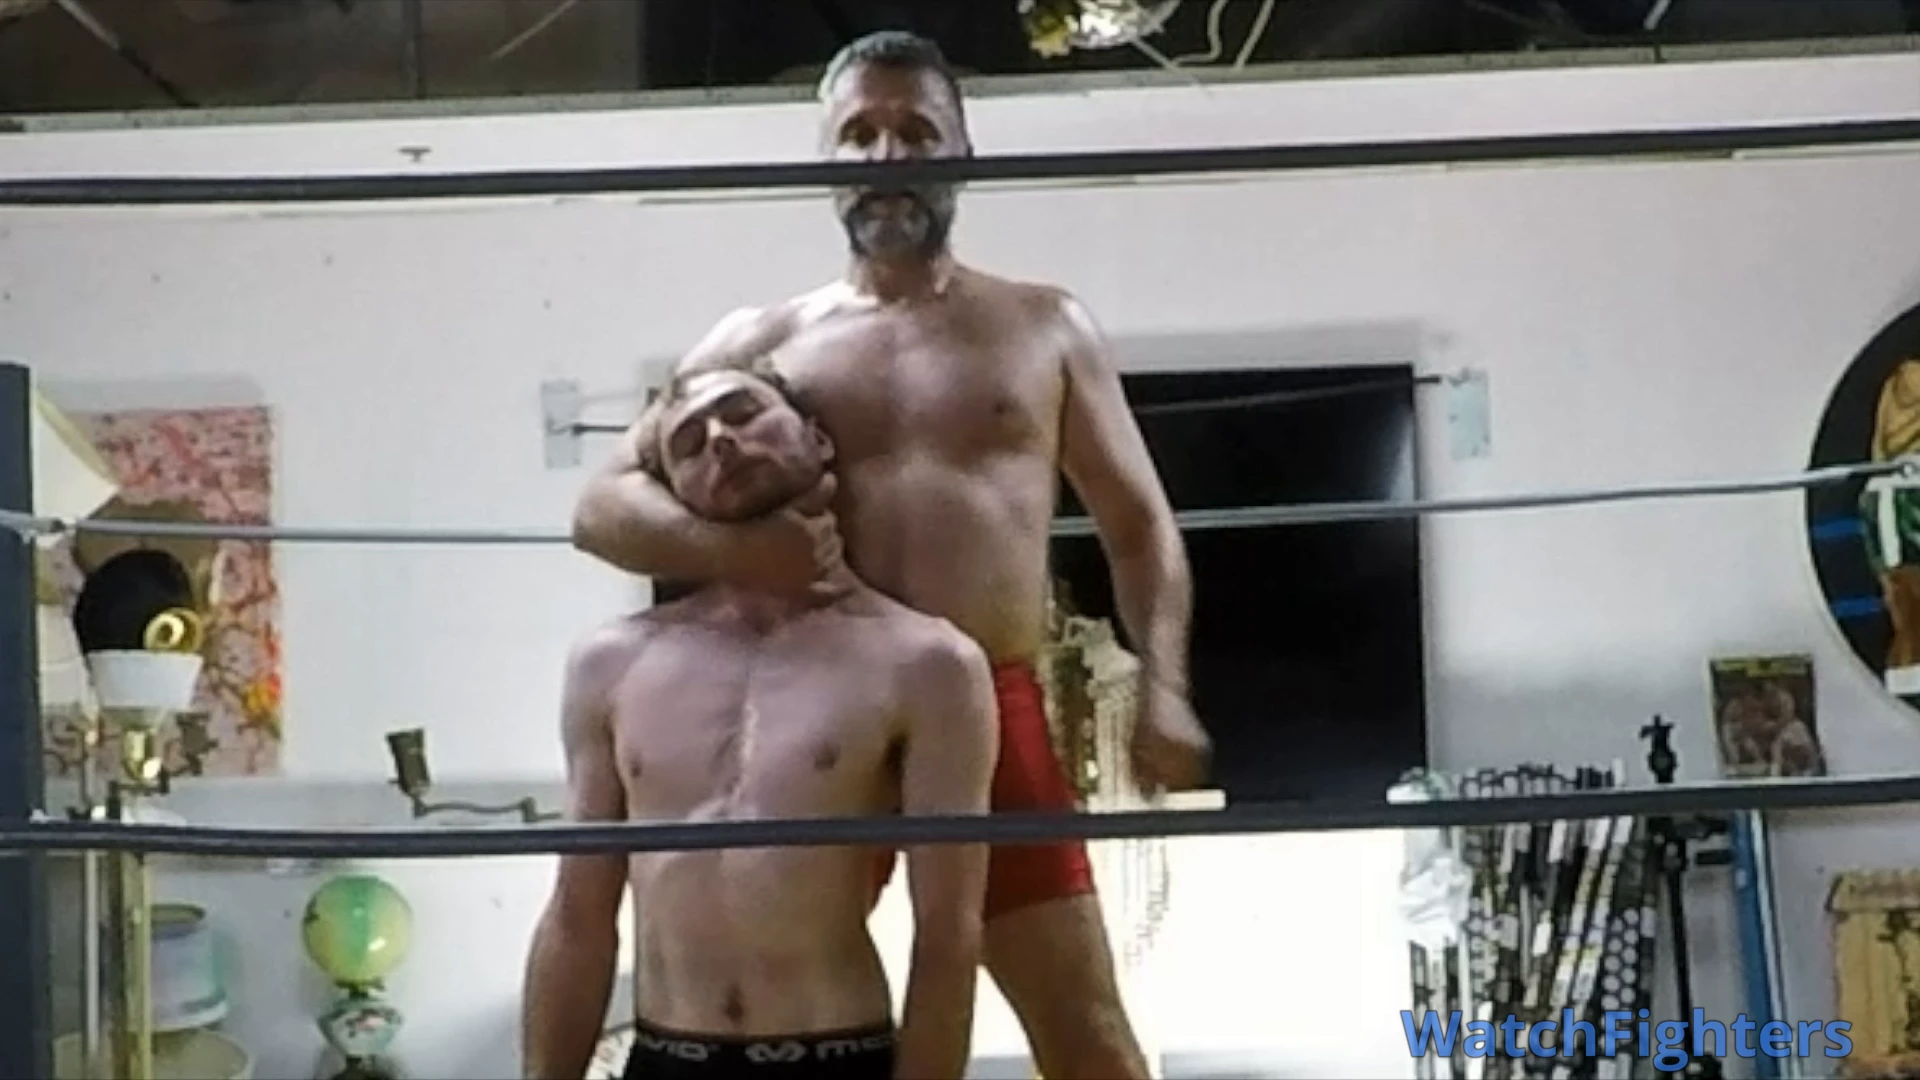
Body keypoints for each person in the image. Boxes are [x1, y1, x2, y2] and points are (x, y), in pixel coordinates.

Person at [570, 29, 1209, 1079]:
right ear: (826, 159)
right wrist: (749, 554)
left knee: (1085, 1028)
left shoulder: (1043, 325)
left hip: (988, 698)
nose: (886, 154)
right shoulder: (760, 343)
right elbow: (600, 506)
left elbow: (1138, 526)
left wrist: (1166, 687)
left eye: (916, 130)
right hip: (814, 707)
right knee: (754, 1012)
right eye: (859, 132)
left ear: (962, 148)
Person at [524, 361, 1000, 1080]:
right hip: (666, 1056)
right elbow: (577, 916)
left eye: (744, 413)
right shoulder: (612, 662)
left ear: (818, 439)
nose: (720, 440)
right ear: (675, 495)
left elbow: (948, 935)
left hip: (836, 1053)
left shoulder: (928, 662)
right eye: (687, 445)